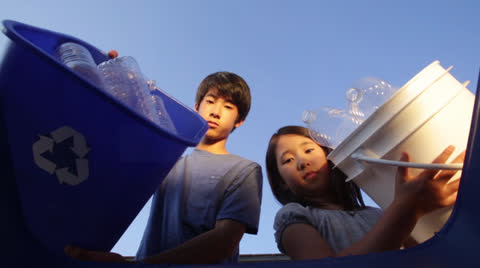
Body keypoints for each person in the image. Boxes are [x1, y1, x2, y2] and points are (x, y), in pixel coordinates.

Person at [65, 71, 263, 264]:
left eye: (228, 106)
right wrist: (105, 77)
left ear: (239, 120)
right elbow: (109, 157)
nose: (215, 112)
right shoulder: (169, 161)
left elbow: (224, 241)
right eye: (210, 101)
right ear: (196, 107)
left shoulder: (244, 169)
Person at [265, 125, 464, 260]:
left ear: (330, 156)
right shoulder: (293, 216)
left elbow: (421, 256)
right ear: (281, 182)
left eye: (309, 150)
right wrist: (406, 209)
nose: (302, 162)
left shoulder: (377, 214)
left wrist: (420, 210)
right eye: (288, 160)